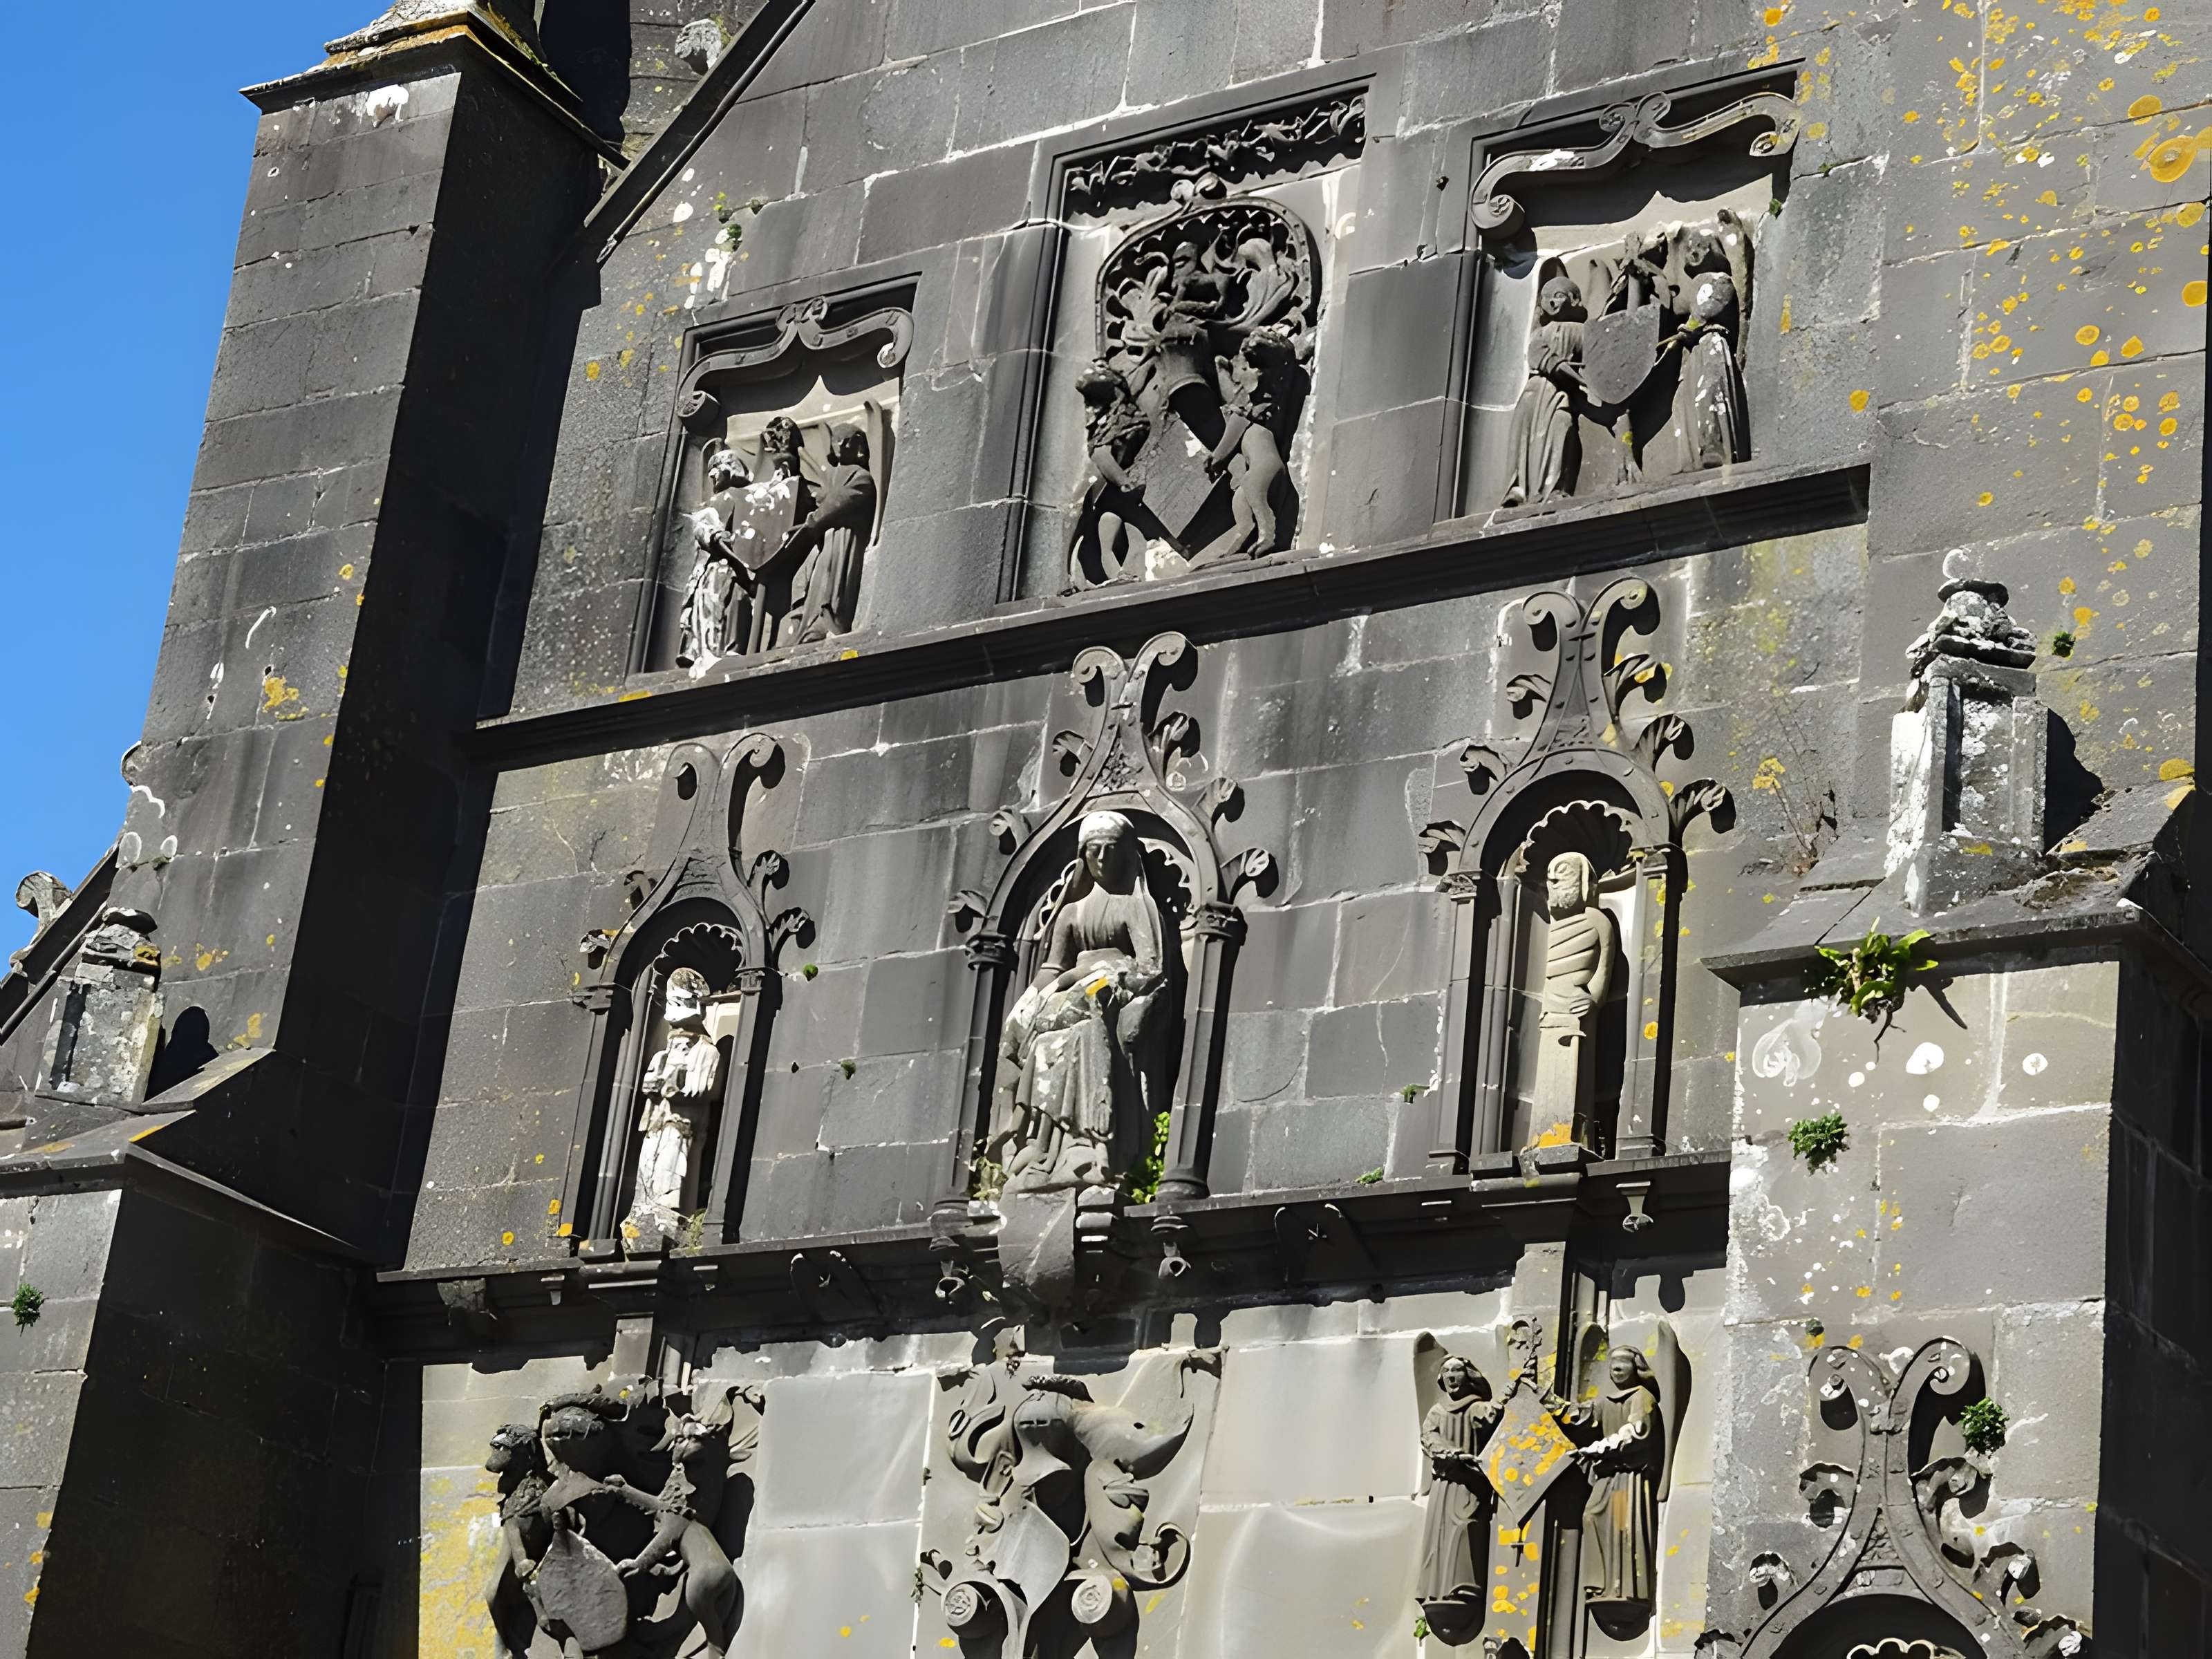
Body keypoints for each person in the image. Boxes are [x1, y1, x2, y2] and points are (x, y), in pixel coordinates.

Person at [991, 812, 1170, 1192]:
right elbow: (1052, 968)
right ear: (1083, 856)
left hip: (1110, 990)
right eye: (1094, 851)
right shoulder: (1071, 912)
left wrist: (1107, 979)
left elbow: (1151, 966)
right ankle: (1041, 1145)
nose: (1102, 858)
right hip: (1073, 988)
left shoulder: (1134, 906)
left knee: (1086, 1035)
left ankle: (1088, 1146)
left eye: (1111, 850)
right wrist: (1032, 999)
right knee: (1037, 1041)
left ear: (1126, 854)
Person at [1558, 1347, 1664, 1610]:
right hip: (1609, 1477)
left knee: (1619, 1523)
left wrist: (1595, 1449)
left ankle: (1622, 1587)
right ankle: (1601, 1584)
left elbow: (1635, 1432)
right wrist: (1546, 1400)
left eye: (1623, 1363)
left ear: (1635, 1368)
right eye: (1613, 1363)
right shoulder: (1606, 1402)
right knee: (1591, 1516)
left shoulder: (1642, 1397)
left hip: (1627, 1480)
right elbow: (1578, 1416)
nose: (1616, 1368)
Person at [623, 968, 720, 1244]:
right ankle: (645, 1214)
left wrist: (673, 1090)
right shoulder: (660, 1056)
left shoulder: (706, 1052)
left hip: (680, 1127)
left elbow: (703, 1089)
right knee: (648, 1170)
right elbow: (649, 1083)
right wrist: (653, 1087)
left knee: (671, 1172)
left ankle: (669, 1218)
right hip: (655, 1125)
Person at [1416, 1356, 1501, 1624]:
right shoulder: (1437, 1412)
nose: (1452, 1375)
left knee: (1465, 1526)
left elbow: (1490, 1417)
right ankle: (1437, 1591)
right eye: (1447, 1371)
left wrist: (1507, 1395)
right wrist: (1452, 1453)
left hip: (1470, 1484)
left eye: (1457, 1370)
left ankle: (1465, 1587)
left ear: (1468, 1376)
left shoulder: (1475, 1407)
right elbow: (1429, 1438)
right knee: (1439, 1536)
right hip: (1445, 1484)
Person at [777, 423, 877, 645]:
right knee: (811, 582)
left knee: (833, 582)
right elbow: (820, 497)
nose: (840, 444)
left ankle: (828, 625)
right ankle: (806, 625)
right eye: (837, 440)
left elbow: (835, 503)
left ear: (858, 446)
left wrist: (811, 521)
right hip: (827, 541)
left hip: (843, 541)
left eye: (847, 440)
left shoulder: (862, 478)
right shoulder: (834, 477)